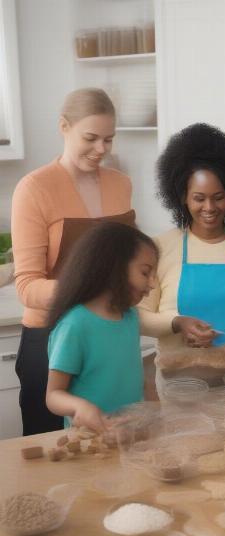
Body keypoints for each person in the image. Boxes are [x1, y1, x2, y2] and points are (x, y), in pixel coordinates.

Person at [11, 87, 135, 435]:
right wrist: (87, 290)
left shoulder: (121, 184)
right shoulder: (34, 189)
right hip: (50, 339)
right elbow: (27, 286)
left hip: (106, 336)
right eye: (91, 138)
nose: (101, 150)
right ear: (64, 127)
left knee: (109, 446)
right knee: (53, 451)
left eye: (109, 139)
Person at [138, 123, 225, 367]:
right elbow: (140, 316)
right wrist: (178, 324)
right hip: (180, 382)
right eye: (199, 198)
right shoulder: (159, 248)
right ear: (183, 198)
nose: (209, 208)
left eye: (218, 197)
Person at [46, 222, 158, 433]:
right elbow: (53, 396)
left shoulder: (131, 316)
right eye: (145, 273)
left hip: (130, 433)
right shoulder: (75, 325)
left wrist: (155, 407)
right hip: (91, 439)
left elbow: (131, 375)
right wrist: (81, 407)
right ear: (113, 268)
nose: (152, 283)